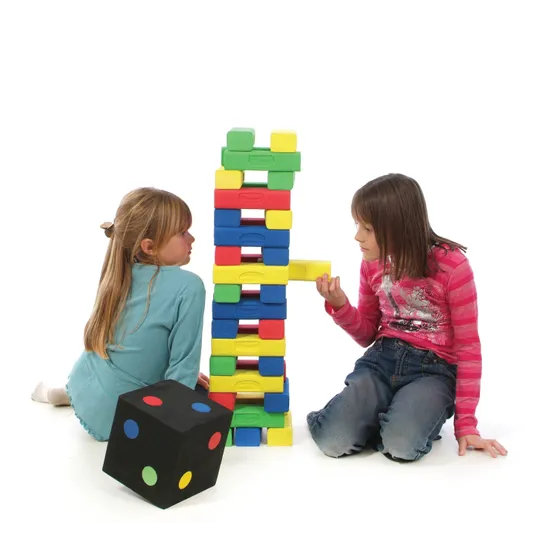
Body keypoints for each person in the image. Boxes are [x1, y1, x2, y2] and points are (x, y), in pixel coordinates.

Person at [307, 173, 507, 462]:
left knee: (402, 446)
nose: (357, 236)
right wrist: (340, 306)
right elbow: (366, 334)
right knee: (331, 440)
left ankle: (393, 417)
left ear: (397, 228)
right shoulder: (371, 265)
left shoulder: (452, 266)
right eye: (357, 225)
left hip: (434, 372)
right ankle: (378, 413)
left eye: (367, 228)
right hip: (382, 360)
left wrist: (466, 425)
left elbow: (468, 347)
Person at [31, 187, 209, 442]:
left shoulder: (120, 275)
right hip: (130, 419)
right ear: (149, 246)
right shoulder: (189, 286)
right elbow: (183, 364)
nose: (192, 238)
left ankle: (65, 394)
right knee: (208, 398)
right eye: (182, 232)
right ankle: (64, 394)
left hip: (91, 393)